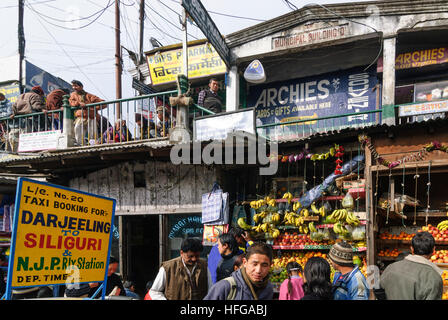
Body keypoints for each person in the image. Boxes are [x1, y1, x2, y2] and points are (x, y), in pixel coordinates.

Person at [379, 231, 443, 300]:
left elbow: (378, 291)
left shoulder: (390, 268)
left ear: (412, 249)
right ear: (433, 250)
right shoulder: (434, 277)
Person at [203, 241, 274, 300]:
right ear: (245, 263)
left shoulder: (268, 288)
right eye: (254, 264)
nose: (258, 270)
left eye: (264, 265)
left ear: (270, 265)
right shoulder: (225, 287)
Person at [69, 80, 107, 146]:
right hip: (80, 117)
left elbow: (103, 103)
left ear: (81, 87)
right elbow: (71, 102)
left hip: (91, 117)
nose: (74, 88)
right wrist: (79, 103)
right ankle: (80, 145)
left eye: (76, 86)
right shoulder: (73, 95)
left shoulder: (89, 96)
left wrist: (89, 106)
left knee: (93, 134)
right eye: (73, 86)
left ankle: (94, 146)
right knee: (77, 131)